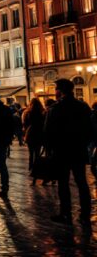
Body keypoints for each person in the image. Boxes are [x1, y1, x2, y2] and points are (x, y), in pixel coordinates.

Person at [44, 79, 93, 225]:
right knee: (82, 182)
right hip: (78, 149)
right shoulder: (83, 106)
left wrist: (50, 149)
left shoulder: (55, 108)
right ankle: (85, 213)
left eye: (56, 89)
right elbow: (90, 129)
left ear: (60, 91)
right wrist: (84, 143)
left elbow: (48, 132)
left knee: (63, 183)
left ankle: (65, 212)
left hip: (61, 151)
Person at [22, 98, 45, 178]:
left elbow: (24, 124)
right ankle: (37, 169)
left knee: (31, 153)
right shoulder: (42, 112)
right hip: (39, 133)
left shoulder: (27, 112)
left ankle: (31, 168)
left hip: (30, 133)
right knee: (37, 153)